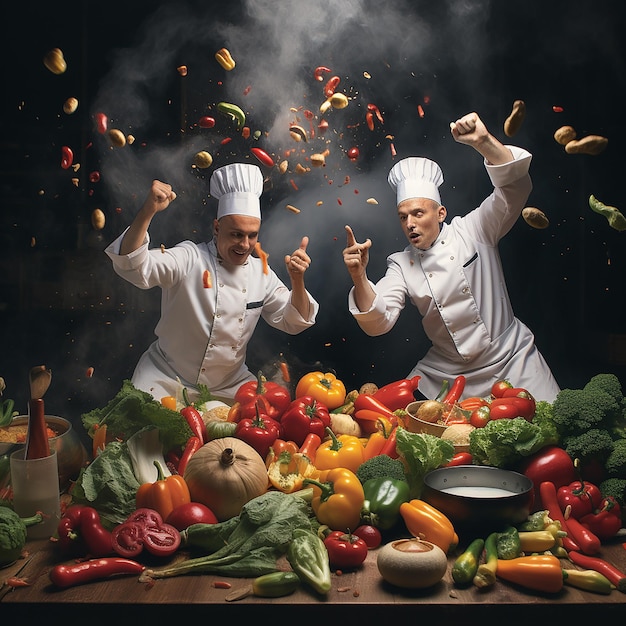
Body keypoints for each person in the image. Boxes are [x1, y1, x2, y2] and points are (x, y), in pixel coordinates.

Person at [342, 112, 560, 403]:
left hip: (511, 359)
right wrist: (359, 277)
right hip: (448, 372)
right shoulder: (401, 264)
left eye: (418, 213)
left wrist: (483, 142)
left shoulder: (474, 229)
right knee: (410, 427)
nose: (410, 223)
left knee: (556, 431)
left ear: (441, 213)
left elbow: (515, 189)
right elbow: (379, 321)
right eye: (403, 216)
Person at [105, 162, 319, 403]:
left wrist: (297, 281)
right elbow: (133, 264)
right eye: (236, 234)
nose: (245, 244)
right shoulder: (188, 258)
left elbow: (294, 320)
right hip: (164, 378)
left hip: (230, 386)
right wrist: (148, 211)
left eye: (252, 235)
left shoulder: (262, 273)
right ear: (217, 228)